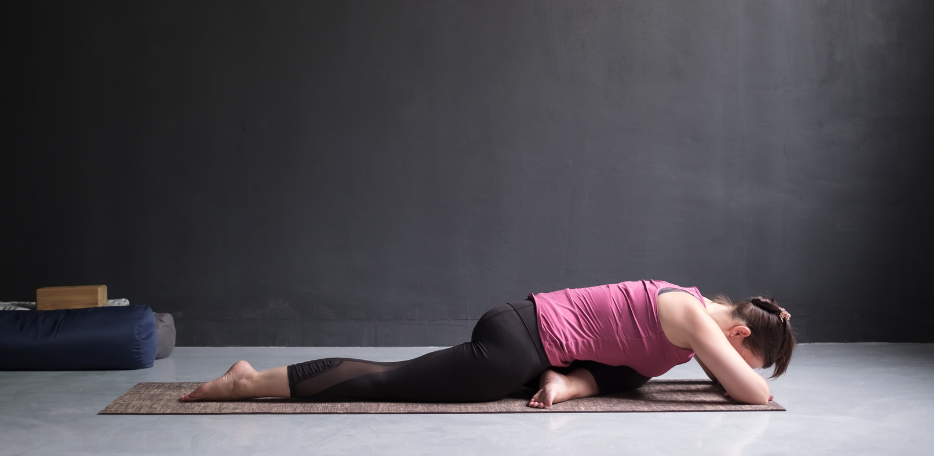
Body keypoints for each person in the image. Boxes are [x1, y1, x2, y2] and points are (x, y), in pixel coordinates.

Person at [179, 280, 796, 407]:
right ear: (738, 334)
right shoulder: (690, 314)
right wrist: (752, 381)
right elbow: (755, 399)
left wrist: (578, 378)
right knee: (393, 381)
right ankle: (249, 380)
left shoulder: (688, 315)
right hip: (519, 341)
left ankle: (566, 383)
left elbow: (626, 363)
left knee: (636, 378)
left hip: (544, 348)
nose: (734, 368)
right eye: (747, 356)